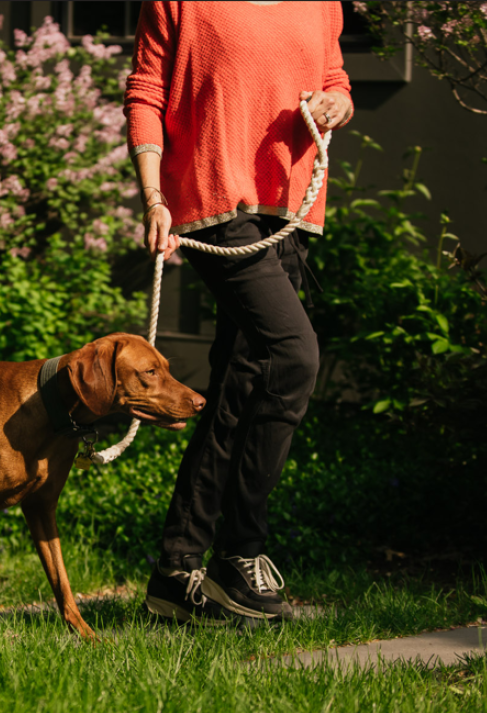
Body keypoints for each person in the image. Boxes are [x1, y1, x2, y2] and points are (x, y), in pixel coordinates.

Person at [124, 1, 353, 625]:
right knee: (294, 355)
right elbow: (145, 94)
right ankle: (240, 551)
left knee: (239, 384)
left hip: (288, 208)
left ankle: (176, 571)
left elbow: (335, 79)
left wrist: (337, 104)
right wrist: (153, 197)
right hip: (214, 200)